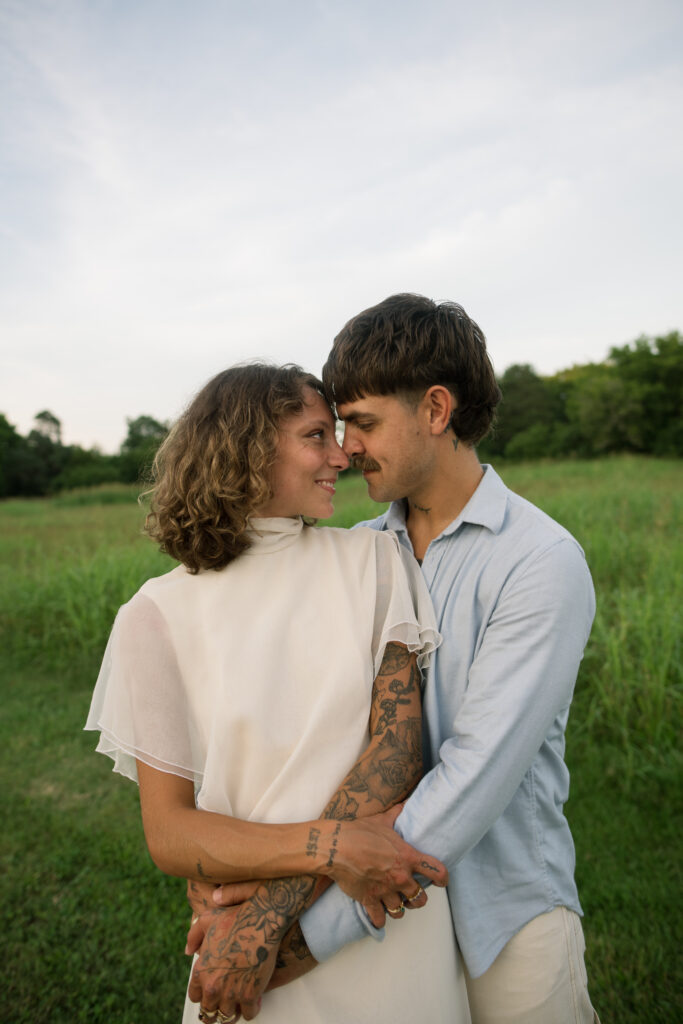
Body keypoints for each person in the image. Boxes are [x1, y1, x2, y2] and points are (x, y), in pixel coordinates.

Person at [85, 363, 471, 1024]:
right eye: (316, 435)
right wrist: (335, 847)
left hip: (374, 916)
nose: (341, 455)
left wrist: (267, 916)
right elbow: (171, 833)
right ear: (247, 446)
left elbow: (397, 752)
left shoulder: (375, 562)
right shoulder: (154, 615)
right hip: (253, 939)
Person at [251, 294, 599, 1023]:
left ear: (436, 409)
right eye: (341, 425)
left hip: (505, 921)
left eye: (365, 423)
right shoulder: (357, 556)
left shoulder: (539, 561)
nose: (346, 450)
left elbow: (473, 777)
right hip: (387, 930)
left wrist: (302, 936)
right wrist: (244, 880)